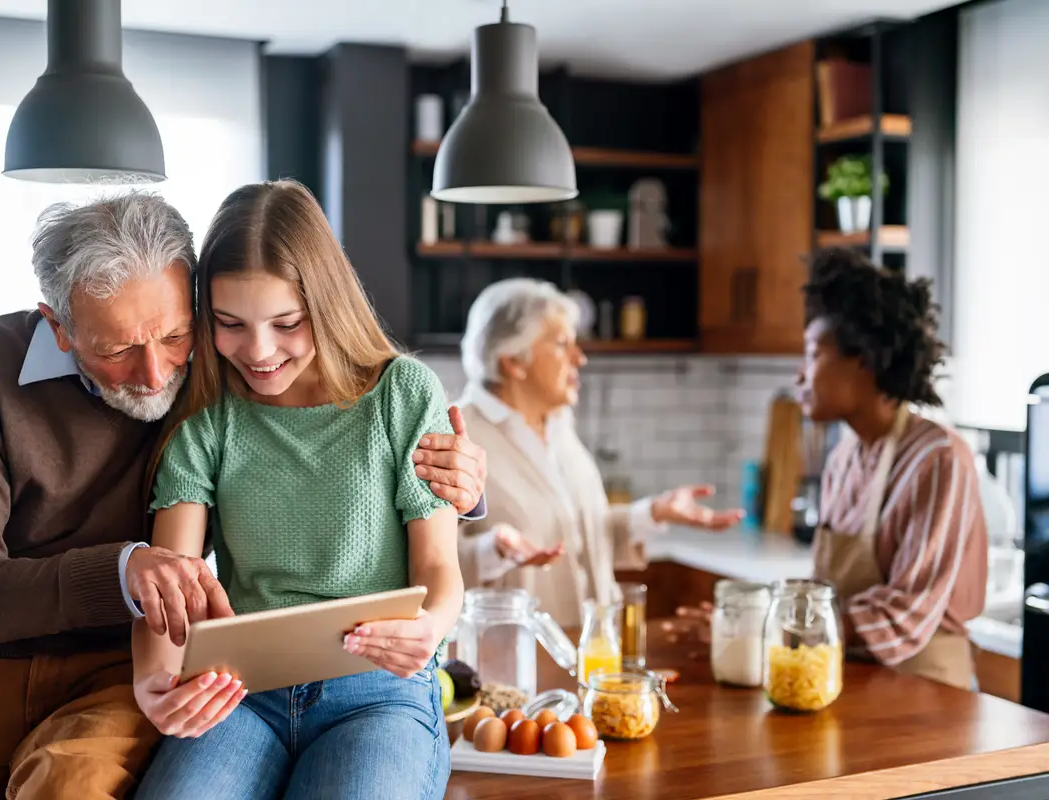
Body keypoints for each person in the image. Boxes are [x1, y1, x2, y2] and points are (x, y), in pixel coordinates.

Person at [0, 191, 487, 799]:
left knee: (71, 787)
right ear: (60, 328)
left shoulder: (218, 374)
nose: (154, 373)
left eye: (175, 337)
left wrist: (462, 488)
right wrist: (128, 579)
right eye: (119, 349)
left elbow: (381, 483)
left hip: (115, 667)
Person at [129, 180, 460, 800]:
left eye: (286, 323)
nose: (257, 352)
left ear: (327, 305)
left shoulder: (403, 394)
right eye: (230, 324)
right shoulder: (209, 417)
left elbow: (440, 567)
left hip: (378, 691)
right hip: (240, 692)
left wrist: (431, 627)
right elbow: (169, 581)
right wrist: (155, 680)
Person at [668, 248, 987, 689]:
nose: (799, 376)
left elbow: (904, 615)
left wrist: (768, 628)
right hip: (847, 682)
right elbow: (825, 595)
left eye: (814, 355)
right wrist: (749, 617)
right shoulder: (843, 458)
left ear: (865, 362)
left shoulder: (938, 459)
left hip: (927, 693)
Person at [455, 278, 744, 628]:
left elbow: (579, 532)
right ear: (513, 361)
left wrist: (652, 513)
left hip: (592, 649)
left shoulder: (559, 427)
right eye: (563, 344)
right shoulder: (458, 436)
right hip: (515, 658)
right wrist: (495, 550)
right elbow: (428, 564)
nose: (580, 357)